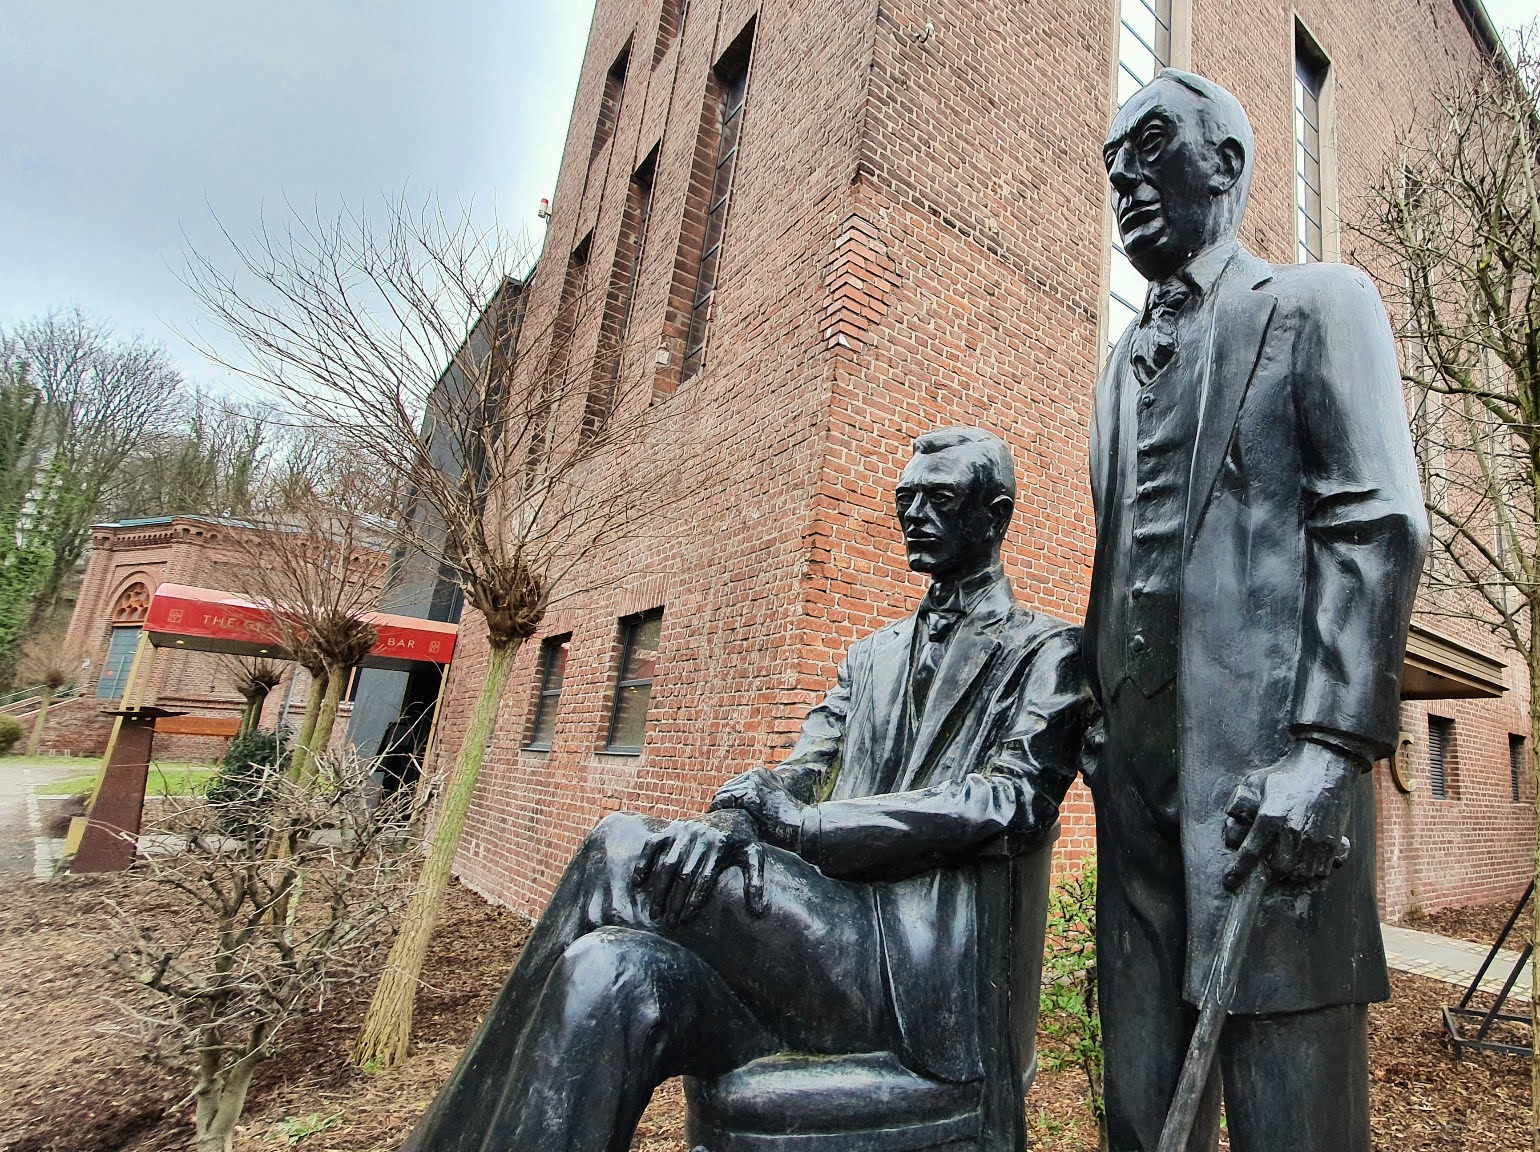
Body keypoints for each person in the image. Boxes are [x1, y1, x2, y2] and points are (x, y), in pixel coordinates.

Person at [401, 427, 1092, 1152]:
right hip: (820, 931)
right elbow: (804, 767)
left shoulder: (1046, 651)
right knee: (603, 969)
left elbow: (1014, 800)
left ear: (995, 516)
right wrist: (734, 818)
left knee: (619, 846)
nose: (914, 515)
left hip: (907, 964)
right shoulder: (871, 656)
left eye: (939, 499)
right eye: (905, 500)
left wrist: (802, 828)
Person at [1086, 70, 1426, 1151]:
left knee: (1295, 1125)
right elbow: (1118, 564)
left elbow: (1375, 523)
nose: (1124, 179)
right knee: (1141, 1117)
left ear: (1226, 163)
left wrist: (1327, 752)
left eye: (1149, 147)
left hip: (1271, 809)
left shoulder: (1319, 305)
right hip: (1135, 822)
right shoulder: (1114, 370)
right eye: (1112, 166)